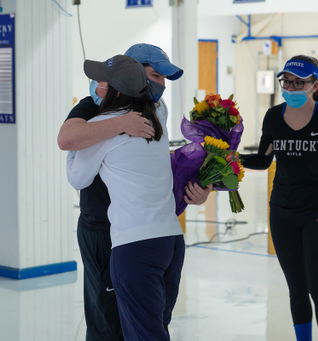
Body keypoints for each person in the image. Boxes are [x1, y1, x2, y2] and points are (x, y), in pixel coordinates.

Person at [58, 44, 210, 341]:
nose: (161, 86)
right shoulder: (155, 114)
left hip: (132, 243)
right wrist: (120, 123)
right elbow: (68, 137)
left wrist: (202, 186)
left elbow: (76, 173)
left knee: (133, 331)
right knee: (130, 325)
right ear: (139, 77)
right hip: (136, 236)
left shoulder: (116, 118)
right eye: (155, 76)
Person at [241, 56, 318, 341]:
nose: (291, 87)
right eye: (286, 81)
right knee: (296, 287)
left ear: (315, 85)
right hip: (282, 211)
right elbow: (263, 160)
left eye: (299, 82)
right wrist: (231, 158)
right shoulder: (273, 116)